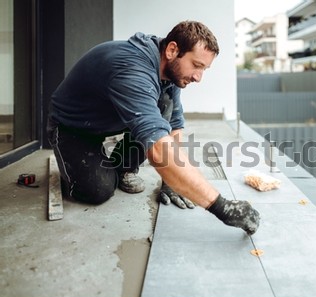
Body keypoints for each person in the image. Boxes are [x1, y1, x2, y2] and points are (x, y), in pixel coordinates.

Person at [47, 21, 260, 234]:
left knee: (164, 104)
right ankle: (75, 164)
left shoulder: (168, 71)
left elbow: (174, 127)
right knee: (98, 191)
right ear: (172, 50)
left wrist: (172, 181)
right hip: (73, 128)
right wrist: (222, 207)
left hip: (109, 120)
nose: (198, 77)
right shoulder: (131, 69)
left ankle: (123, 168)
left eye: (204, 69)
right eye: (196, 65)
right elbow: (158, 149)